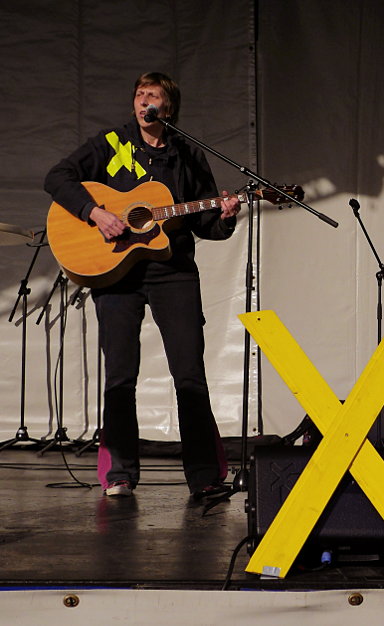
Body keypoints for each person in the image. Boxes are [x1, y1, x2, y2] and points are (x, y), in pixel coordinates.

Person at [44, 72, 241, 500]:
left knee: (189, 373)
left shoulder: (188, 154)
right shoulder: (112, 143)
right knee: (121, 374)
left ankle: (205, 475)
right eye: (138, 94)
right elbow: (57, 177)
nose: (143, 101)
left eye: (152, 96)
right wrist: (96, 213)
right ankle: (119, 473)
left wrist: (224, 214)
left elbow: (204, 222)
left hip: (174, 272)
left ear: (167, 108)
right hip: (116, 272)